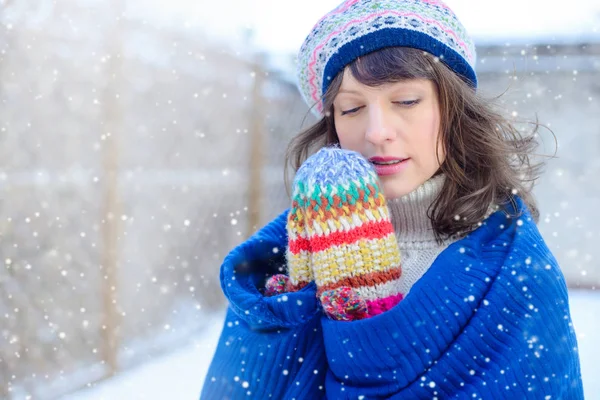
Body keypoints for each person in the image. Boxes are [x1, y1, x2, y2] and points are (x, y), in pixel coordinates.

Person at [200, 0, 584, 398]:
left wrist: (363, 317)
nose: (377, 131)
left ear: (453, 109)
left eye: (406, 101)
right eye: (352, 108)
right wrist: (299, 299)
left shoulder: (515, 272)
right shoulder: (281, 261)